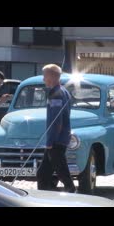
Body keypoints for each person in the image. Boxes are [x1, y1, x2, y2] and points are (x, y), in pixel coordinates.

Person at [36, 64, 76, 193]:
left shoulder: (56, 94)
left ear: (53, 77)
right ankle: (44, 198)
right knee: (43, 173)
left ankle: (71, 192)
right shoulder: (63, 91)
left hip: (56, 140)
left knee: (62, 172)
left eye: (45, 76)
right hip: (60, 139)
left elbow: (56, 120)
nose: (43, 79)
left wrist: (50, 141)